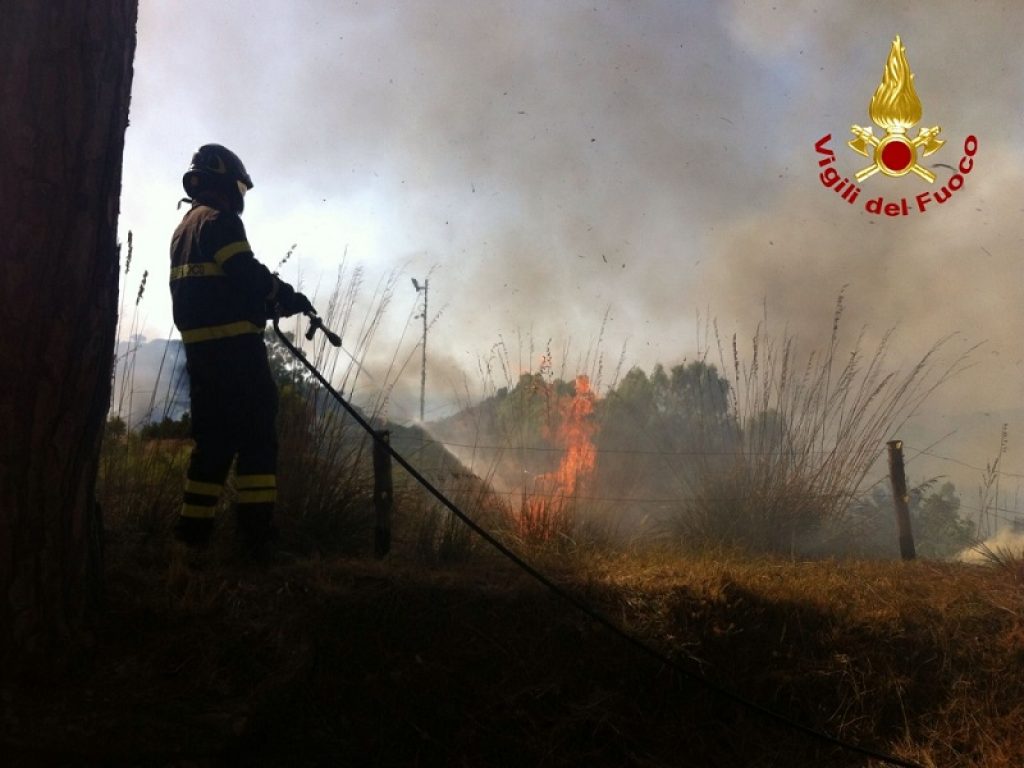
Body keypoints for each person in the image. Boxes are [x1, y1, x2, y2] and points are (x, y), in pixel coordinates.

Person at [169, 143, 312, 554]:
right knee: (257, 440)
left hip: (201, 359)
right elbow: (245, 273)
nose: (240, 197)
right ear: (226, 183)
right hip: (237, 356)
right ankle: (256, 540)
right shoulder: (220, 220)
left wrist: (262, 305)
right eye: (239, 188)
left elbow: (217, 288)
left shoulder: (183, 230)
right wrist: (283, 295)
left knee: (212, 445)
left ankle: (191, 540)